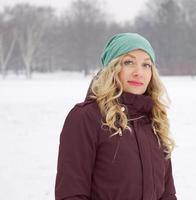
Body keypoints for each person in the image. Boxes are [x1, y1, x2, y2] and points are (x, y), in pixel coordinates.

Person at [55, 32, 177, 200]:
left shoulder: (154, 120)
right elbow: (71, 194)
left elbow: (167, 194)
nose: (138, 72)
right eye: (128, 62)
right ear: (112, 68)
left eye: (146, 65)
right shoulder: (86, 118)